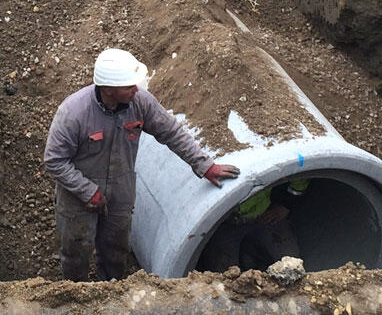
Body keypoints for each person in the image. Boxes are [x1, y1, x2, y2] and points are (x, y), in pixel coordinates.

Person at [44, 48, 240, 281]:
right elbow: (55, 160)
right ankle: (75, 296)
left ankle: (112, 291)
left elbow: (172, 132)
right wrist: (87, 191)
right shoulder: (74, 113)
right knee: (76, 250)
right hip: (77, 193)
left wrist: (204, 165)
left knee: (116, 249)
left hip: (120, 189)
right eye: (128, 86)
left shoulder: (140, 102)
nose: (136, 89)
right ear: (107, 90)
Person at [199, 179, 309, 273]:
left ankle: (252, 256)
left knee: (292, 267)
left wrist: (287, 204)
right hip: (224, 222)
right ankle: (248, 257)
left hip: (265, 215)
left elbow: (301, 167)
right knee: (223, 276)